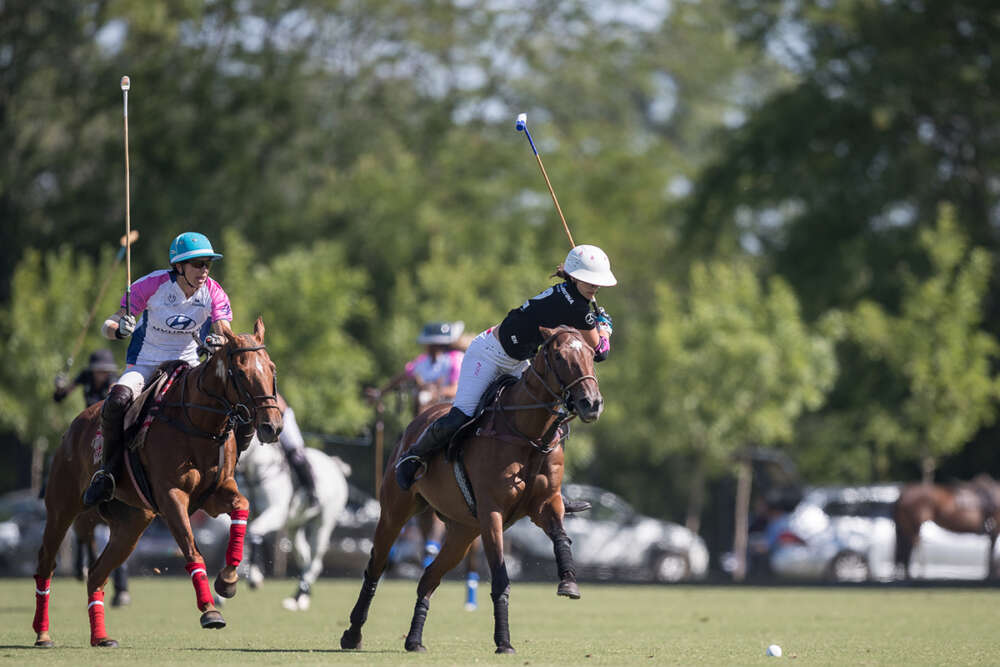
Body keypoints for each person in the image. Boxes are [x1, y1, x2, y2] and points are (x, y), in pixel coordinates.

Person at [395, 244, 616, 491]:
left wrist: (594, 321)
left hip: (518, 361)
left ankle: (549, 488)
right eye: (589, 280)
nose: (595, 286)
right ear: (574, 277)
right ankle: (412, 457)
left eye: (598, 282)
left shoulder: (569, 292)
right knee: (461, 415)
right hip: (488, 354)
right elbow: (601, 353)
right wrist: (604, 328)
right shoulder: (578, 309)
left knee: (547, 417)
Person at [82, 232, 234, 507]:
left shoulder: (214, 291)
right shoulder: (151, 285)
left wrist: (218, 339)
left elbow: (225, 333)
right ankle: (107, 473)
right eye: (197, 263)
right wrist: (119, 330)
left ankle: (225, 470)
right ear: (179, 266)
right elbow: (108, 325)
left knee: (227, 397)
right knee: (116, 402)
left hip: (188, 364)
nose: (204, 270)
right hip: (145, 363)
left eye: (207, 264)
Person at [368, 321, 466, 413]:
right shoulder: (422, 361)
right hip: (423, 407)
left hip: (449, 409)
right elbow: (402, 377)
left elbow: (456, 389)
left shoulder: (455, 359)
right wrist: (380, 392)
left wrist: (435, 393)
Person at [54, 349, 119, 407]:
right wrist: (59, 389)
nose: (103, 374)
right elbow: (60, 397)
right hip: (89, 416)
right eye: (100, 370)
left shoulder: (113, 379)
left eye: (106, 371)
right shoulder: (86, 375)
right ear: (93, 369)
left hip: (107, 418)